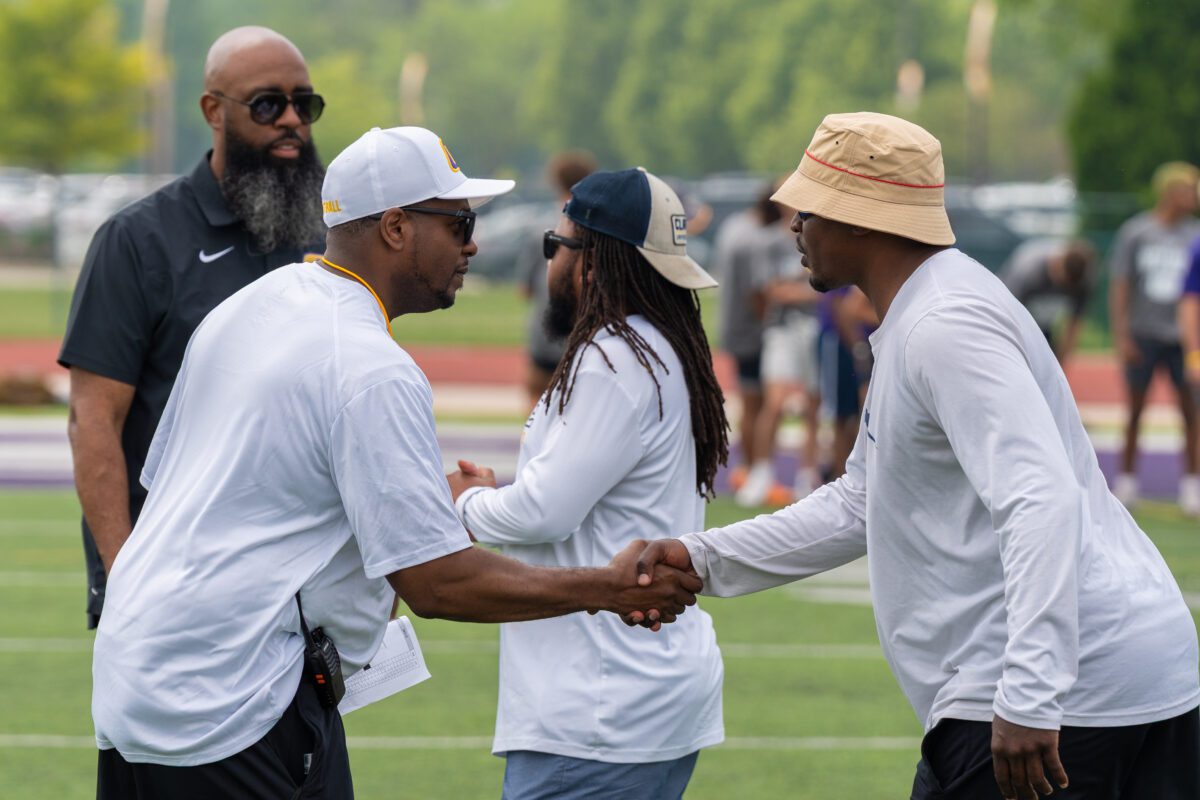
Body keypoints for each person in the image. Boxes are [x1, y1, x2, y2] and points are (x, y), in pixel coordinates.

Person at [91, 127, 701, 800]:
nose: (473, 244)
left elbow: (217, 484)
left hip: (137, 680)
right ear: (394, 227)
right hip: (231, 702)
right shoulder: (370, 365)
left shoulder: (251, 307)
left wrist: (420, 497)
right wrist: (610, 588)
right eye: (460, 222)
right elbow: (439, 585)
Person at [631, 113, 1200, 800]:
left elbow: (1040, 497)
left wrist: (1027, 690)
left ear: (861, 219)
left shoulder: (942, 325)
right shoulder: (932, 308)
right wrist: (703, 559)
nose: (794, 225)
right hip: (1112, 673)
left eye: (810, 208)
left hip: (1065, 690)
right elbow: (861, 500)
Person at [448, 167, 728, 799]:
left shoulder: (614, 357)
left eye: (557, 245)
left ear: (592, 262)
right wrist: (500, 495)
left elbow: (546, 512)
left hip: (599, 704)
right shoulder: (659, 348)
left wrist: (466, 503)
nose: (551, 262)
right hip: (641, 690)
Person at [59, 26, 328, 629]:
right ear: (214, 110)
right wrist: (125, 576)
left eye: (303, 104)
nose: (291, 120)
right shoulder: (139, 241)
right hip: (172, 586)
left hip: (297, 587)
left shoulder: (326, 237)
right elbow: (94, 419)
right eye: (268, 103)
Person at [1108, 162, 1200, 513]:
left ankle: (1191, 486)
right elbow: (1120, 284)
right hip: (1143, 333)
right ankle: (1127, 482)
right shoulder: (1137, 232)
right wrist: (1122, 334)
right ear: (1169, 193)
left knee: (1190, 413)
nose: (1192, 197)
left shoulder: (1194, 235)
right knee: (1135, 410)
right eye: (1187, 190)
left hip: (1181, 337)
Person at [734, 186, 823, 507]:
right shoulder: (769, 240)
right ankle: (761, 471)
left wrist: (800, 291)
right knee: (776, 400)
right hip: (783, 328)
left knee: (814, 402)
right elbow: (772, 290)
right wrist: (807, 292)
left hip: (813, 327)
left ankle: (807, 474)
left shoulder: (822, 235)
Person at [516, 150, 597, 409]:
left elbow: (524, 289)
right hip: (584, 335)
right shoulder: (598, 227)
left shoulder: (541, 227)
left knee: (535, 411)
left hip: (545, 333)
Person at [711, 187, 777, 496]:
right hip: (752, 331)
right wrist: (770, 324)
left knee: (751, 401)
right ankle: (752, 471)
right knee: (757, 403)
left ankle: (746, 469)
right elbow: (757, 291)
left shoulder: (734, 226)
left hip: (733, 326)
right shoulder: (755, 239)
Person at [1000, 239, 1096, 365]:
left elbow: (1073, 325)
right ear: (1057, 265)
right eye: (1062, 283)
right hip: (1011, 314)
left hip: (1043, 325)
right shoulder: (1029, 274)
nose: (1063, 288)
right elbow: (1007, 313)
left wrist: (1060, 363)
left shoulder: (1081, 284)